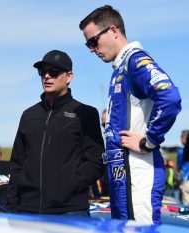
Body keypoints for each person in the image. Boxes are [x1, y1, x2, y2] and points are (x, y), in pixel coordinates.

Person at [79, 5, 182, 224]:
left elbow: (170, 97)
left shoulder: (134, 60)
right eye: (88, 44)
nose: (91, 49)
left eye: (93, 41)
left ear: (113, 31)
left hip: (138, 171)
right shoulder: (120, 68)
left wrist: (149, 141)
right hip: (121, 175)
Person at [6, 50, 104, 216]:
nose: (47, 76)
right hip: (28, 210)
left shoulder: (85, 113)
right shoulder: (29, 115)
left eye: (54, 72)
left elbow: (96, 161)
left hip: (70, 210)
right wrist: (11, 207)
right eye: (42, 72)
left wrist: (68, 185)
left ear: (69, 76)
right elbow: (17, 164)